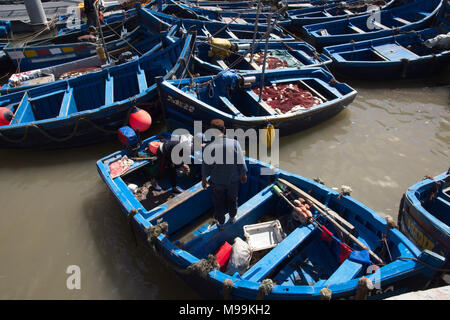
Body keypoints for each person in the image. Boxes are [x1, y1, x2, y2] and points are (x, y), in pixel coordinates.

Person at [201, 119, 247, 230]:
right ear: (225, 130)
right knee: (233, 199)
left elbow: (206, 166)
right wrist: (243, 174)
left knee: (218, 202)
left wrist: (203, 179)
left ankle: (221, 223)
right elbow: (241, 161)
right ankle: (232, 218)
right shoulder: (235, 143)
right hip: (233, 180)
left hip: (217, 182)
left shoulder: (208, 147)